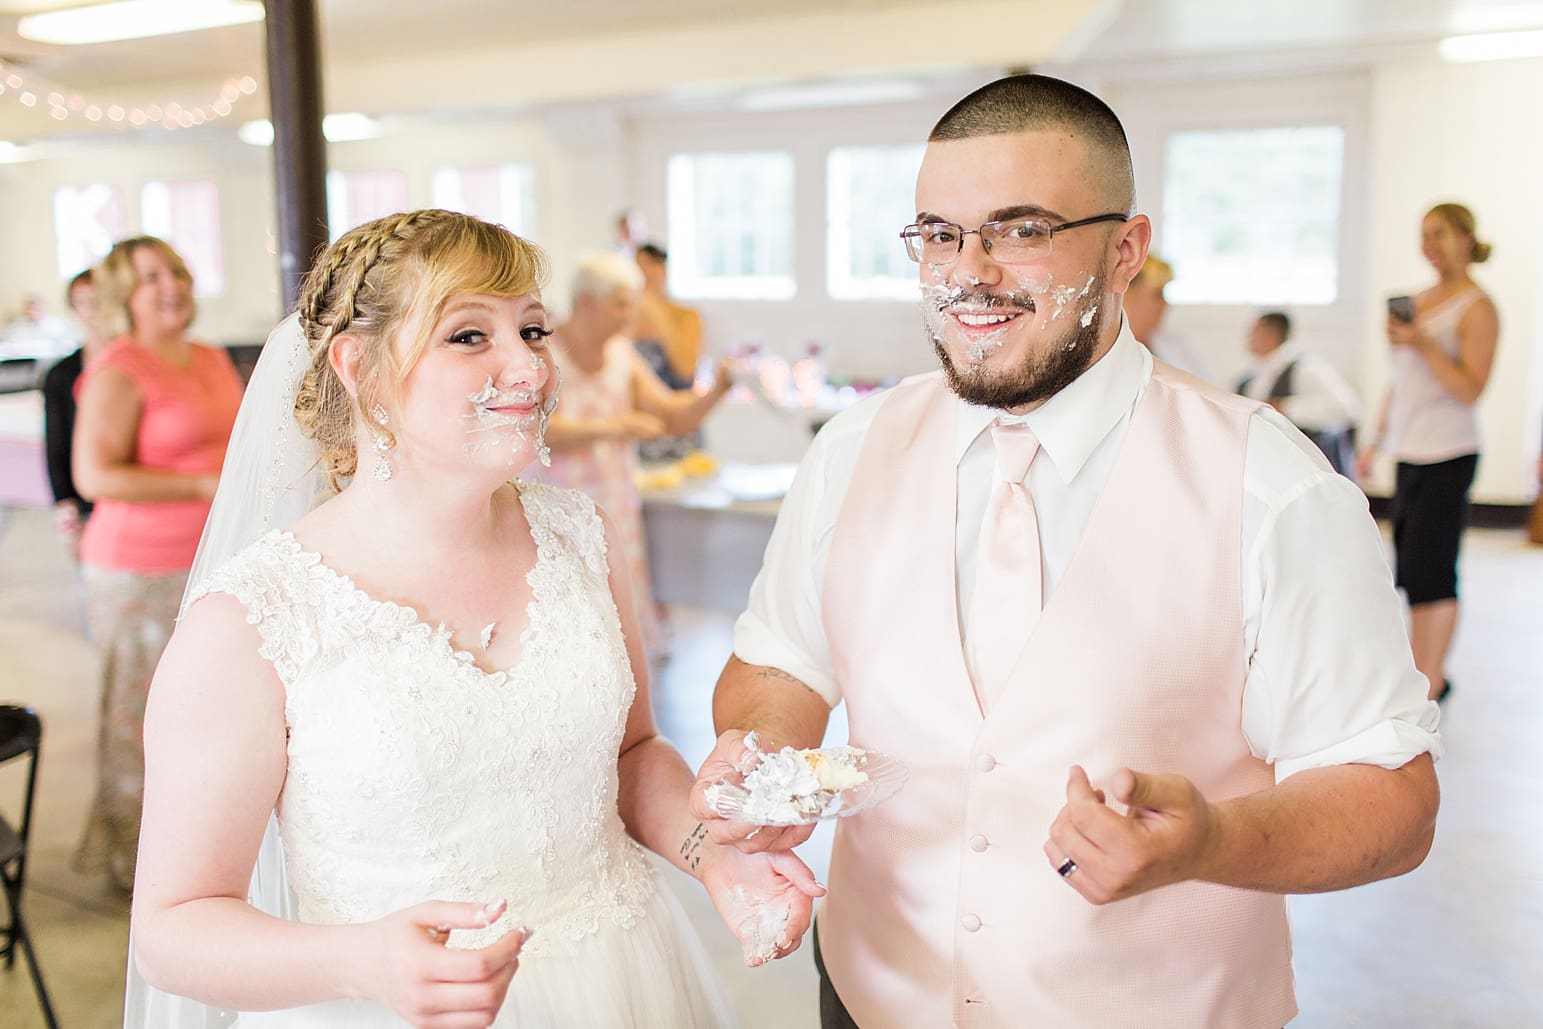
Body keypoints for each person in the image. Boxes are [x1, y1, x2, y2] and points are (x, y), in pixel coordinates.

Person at [690, 74, 1441, 1029]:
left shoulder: (1268, 484)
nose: (969, 271)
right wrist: (760, 748)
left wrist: (1212, 839)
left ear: (1126, 249)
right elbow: (777, 662)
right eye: (939, 233)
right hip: (869, 990)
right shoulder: (850, 450)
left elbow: (1394, 801)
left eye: (1021, 229)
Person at [127, 211, 820, 1029]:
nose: (526, 362)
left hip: (624, 979)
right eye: (468, 335)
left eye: (532, 328)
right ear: (360, 368)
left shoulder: (579, 536)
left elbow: (629, 755)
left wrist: (712, 859)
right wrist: (359, 959)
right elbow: (173, 926)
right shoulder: (251, 619)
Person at [70, 236, 243, 891]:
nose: (170, 284)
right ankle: (134, 863)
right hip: (137, 568)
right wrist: (202, 486)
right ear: (125, 296)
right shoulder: (120, 366)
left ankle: (203, 849)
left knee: (209, 708)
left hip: (215, 558)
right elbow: (94, 474)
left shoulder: (208, 356)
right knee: (141, 715)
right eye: (149, 278)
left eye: (175, 269)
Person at [539, 251, 733, 655]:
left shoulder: (621, 355)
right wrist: (616, 427)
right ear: (588, 302)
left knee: (618, 637)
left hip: (615, 512)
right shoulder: (543, 355)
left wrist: (718, 390)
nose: (631, 313)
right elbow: (533, 431)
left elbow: (673, 417)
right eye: (621, 303)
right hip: (552, 514)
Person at [1358, 202, 1499, 703]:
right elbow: (1401, 383)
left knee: (1434, 566)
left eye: (1440, 233)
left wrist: (1423, 343)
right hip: (1410, 449)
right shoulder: (1416, 301)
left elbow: (1470, 388)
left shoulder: (1477, 307)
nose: (1431, 245)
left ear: (1465, 238)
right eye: (1424, 235)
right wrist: (1375, 439)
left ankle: (1431, 677)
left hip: (1450, 450)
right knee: (1411, 566)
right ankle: (1422, 672)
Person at [1233, 310, 1361, 476]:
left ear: (1271, 334)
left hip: (1301, 470)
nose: (1248, 338)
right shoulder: (1249, 378)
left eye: (1254, 331)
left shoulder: (1305, 369)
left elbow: (1348, 408)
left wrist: (1286, 408)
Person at [43, 268, 111, 553]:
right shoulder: (61, 374)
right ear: (74, 308)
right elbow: (57, 441)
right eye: (84, 301)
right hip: (86, 495)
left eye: (100, 299)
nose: (93, 308)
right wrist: (64, 500)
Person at [1121, 253, 1210, 381]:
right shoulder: (1104, 353)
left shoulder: (1178, 346)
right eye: (1158, 294)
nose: (1165, 304)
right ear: (1128, 294)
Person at [632, 243, 703, 391]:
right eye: (638, 267)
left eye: (649, 266)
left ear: (663, 270)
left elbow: (685, 371)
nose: (644, 274)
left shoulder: (687, 317)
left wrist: (656, 312)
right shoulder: (623, 320)